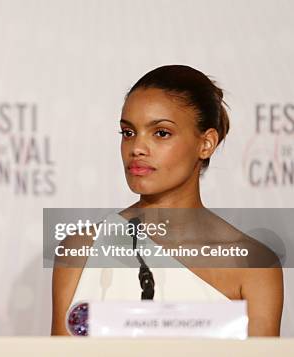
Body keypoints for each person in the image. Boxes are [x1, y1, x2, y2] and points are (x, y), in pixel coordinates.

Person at [51, 65, 283, 336]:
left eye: (161, 133)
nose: (137, 148)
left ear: (206, 143)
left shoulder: (253, 265)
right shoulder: (80, 250)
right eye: (128, 132)